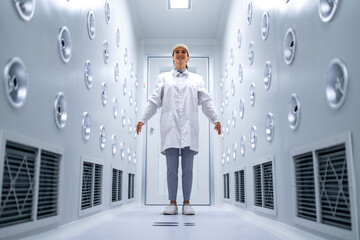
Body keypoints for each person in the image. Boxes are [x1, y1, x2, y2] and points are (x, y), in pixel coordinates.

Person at [136, 44, 221, 215]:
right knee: (171, 169)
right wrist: (142, 119)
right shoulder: (163, 78)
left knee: (188, 168)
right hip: (170, 128)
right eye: (177, 52)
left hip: (190, 129)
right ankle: (173, 203)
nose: (180, 55)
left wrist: (216, 119)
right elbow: (154, 101)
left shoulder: (197, 79)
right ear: (173, 58)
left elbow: (206, 101)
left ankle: (187, 203)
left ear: (188, 58)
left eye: (184, 52)